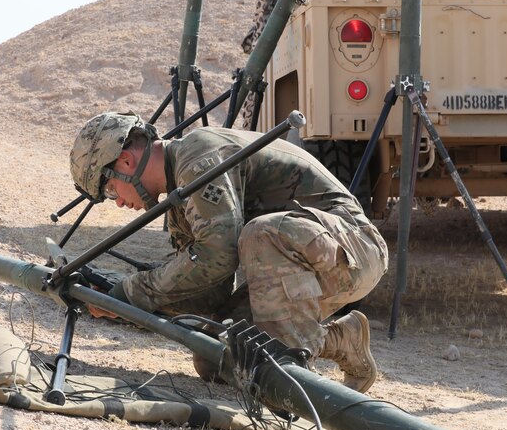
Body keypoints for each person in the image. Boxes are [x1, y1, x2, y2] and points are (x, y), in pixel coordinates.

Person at [69, 112, 389, 393]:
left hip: (354, 249)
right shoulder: (179, 200)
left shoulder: (198, 156)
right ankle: (342, 340)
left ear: (125, 161)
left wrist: (133, 291)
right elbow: (208, 290)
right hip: (311, 259)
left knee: (260, 233)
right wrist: (120, 300)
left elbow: (217, 255)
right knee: (214, 355)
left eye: (110, 189)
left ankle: (298, 385)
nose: (119, 201)